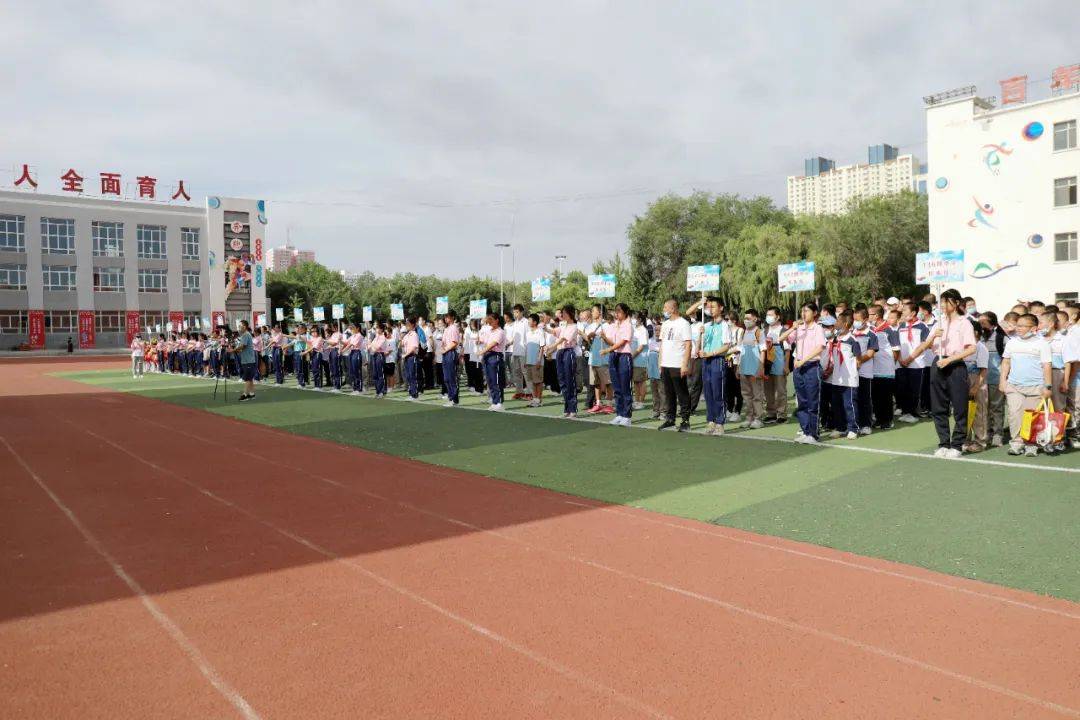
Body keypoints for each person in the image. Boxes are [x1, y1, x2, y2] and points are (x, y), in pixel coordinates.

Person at [919, 289, 976, 458]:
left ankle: (957, 445)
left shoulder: (964, 323)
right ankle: (943, 443)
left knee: (959, 407)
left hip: (956, 366)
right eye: (941, 302)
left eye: (947, 301)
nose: (943, 305)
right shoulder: (939, 322)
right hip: (938, 363)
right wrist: (933, 337)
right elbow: (926, 345)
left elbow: (971, 348)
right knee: (938, 406)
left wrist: (950, 360)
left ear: (956, 303)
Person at [1000, 313, 1053, 456]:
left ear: (1034, 328)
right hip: (1014, 385)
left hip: (1036, 386)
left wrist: (1048, 387)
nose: (1019, 328)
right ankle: (1017, 443)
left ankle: (1032, 444)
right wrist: (1002, 381)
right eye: (1018, 325)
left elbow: (1046, 365)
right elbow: (1006, 361)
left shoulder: (1042, 344)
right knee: (1014, 414)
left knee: (1031, 416)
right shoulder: (1012, 342)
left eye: (1023, 326)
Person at [779, 302, 827, 444]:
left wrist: (803, 360)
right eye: (802, 311)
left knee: (813, 402)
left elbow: (820, 348)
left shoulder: (818, 328)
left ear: (815, 313)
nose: (803, 314)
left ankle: (813, 433)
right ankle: (805, 431)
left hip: (811, 366)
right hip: (799, 368)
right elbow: (780, 339)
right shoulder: (799, 328)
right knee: (802, 402)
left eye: (806, 311)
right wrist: (792, 328)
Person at [699, 296, 733, 436]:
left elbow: (726, 346)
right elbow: (699, 347)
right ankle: (711, 421)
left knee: (718, 392)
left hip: (717, 360)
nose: (710, 309)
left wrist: (711, 353)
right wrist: (700, 336)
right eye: (708, 307)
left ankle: (720, 422)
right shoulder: (706, 326)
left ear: (721, 308)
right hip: (705, 361)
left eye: (713, 306)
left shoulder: (725, 325)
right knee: (708, 393)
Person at [822, 312, 859, 440]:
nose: (835, 324)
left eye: (838, 321)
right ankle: (840, 427)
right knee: (837, 405)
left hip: (849, 379)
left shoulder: (852, 340)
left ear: (846, 324)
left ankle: (853, 428)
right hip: (836, 378)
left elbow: (858, 358)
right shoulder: (835, 339)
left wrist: (852, 371)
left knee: (849, 405)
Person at [657, 299, 692, 432]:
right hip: (666, 363)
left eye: (666, 307)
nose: (664, 310)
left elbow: (688, 344)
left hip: (678, 363)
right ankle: (670, 419)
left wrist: (685, 364)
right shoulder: (665, 324)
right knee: (668, 393)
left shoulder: (683, 324)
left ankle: (685, 420)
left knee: (682, 393)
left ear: (673, 309)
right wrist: (660, 362)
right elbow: (662, 344)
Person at [600, 303, 634, 426]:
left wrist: (607, 350)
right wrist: (604, 338)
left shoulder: (628, 325)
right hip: (614, 355)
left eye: (619, 311)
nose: (617, 313)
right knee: (617, 387)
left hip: (624, 356)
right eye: (616, 311)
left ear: (625, 312)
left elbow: (622, 342)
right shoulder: (615, 325)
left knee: (625, 387)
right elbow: (612, 342)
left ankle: (627, 415)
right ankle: (619, 414)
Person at [895, 302, 929, 423]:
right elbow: (896, 344)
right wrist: (900, 359)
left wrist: (909, 359)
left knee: (914, 389)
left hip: (916, 363)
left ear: (913, 312)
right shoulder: (901, 326)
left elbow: (923, 345)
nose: (902, 312)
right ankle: (905, 411)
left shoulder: (922, 326)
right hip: (901, 363)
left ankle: (913, 413)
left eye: (904, 310)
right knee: (902, 388)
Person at [869, 306, 900, 430]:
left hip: (886, 370)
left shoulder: (889, 329)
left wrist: (891, 364)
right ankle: (879, 419)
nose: (868, 316)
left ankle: (887, 420)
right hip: (874, 370)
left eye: (870, 314)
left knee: (886, 397)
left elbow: (896, 349)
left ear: (876, 316)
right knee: (876, 397)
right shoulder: (872, 329)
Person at [962, 323, 991, 453]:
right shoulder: (961, 346)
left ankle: (981, 441)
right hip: (962, 379)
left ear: (977, 333)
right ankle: (965, 439)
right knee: (963, 412)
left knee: (979, 412)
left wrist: (975, 387)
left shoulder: (981, 347)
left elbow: (983, 370)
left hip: (976, 380)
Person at [548, 304, 580, 418]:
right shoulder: (563, 325)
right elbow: (553, 332)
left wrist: (552, 347)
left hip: (568, 352)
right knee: (562, 381)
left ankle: (573, 408)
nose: (563, 315)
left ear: (570, 313)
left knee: (569, 380)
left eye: (565, 313)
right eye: (562, 313)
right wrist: (543, 324)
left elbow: (564, 338)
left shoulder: (574, 326)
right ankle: (567, 408)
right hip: (560, 353)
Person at [850, 307, 879, 435]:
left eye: (858, 319)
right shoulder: (851, 333)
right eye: (854, 319)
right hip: (851, 372)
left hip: (865, 372)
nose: (855, 322)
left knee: (865, 398)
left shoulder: (871, 334)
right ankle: (854, 423)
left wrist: (859, 360)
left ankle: (866, 424)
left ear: (866, 319)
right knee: (853, 399)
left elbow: (871, 353)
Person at [738, 309, 767, 429]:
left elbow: (763, 350)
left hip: (755, 369)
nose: (746, 320)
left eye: (748, 318)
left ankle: (758, 418)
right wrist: (738, 367)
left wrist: (761, 367)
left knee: (757, 395)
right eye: (745, 318)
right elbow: (740, 351)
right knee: (746, 395)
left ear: (755, 319)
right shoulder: (743, 332)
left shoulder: (759, 332)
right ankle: (749, 418)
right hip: (744, 368)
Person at [763, 307, 790, 424]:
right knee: (768, 390)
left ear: (778, 316)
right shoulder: (764, 330)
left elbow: (788, 350)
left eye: (771, 314)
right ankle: (771, 413)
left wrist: (786, 365)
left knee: (780, 390)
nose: (768, 317)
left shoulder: (783, 330)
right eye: (767, 314)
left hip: (779, 361)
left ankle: (781, 414)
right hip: (767, 363)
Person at [585, 305, 613, 414]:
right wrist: (590, 337)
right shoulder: (591, 326)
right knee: (595, 382)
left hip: (604, 358)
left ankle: (610, 404)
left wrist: (604, 337)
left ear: (600, 312)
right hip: (593, 358)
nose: (592, 313)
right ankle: (598, 403)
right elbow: (589, 342)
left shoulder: (607, 325)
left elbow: (612, 343)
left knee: (608, 382)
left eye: (593, 311)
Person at [479, 313, 506, 411]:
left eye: (491, 319)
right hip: (487, 356)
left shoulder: (500, 331)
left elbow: (494, 343)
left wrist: (482, 351)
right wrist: (479, 341)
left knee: (496, 380)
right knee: (490, 380)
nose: (489, 322)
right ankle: (494, 401)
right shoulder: (489, 331)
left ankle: (499, 403)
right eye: (488, 319)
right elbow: (485, 341)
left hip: (495, 356)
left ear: (497, 320)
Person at [524, 313, 547, 408]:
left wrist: (539, 360)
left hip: (537, 361)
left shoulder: (540, 331)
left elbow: (542, 347)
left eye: (530, 320)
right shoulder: (528, 333)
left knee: (538, 381)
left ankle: (539, 399)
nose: (528, 322)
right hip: (529, 361)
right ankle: (535, 398)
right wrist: (526, 360)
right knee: (533, 381)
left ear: (535, 322)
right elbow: (527, 348)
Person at [508, 304, 529, 400]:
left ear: (521, 312)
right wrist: (508, 344)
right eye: (514, 312)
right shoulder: (515, 323)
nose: (515, 314)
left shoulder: (526, 322)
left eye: (516, 312)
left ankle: (529, 393)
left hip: (524, 351)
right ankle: (519, 392)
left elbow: (529, 337)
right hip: (515, 351)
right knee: (517, 373)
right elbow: (514, 338)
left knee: (526, 373)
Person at [441, 311, 461, 407]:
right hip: (445, 353)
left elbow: (454, 343)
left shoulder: (453, 328)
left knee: (452, 377)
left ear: (452, 317)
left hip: (451, 353)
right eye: (445, 317)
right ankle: (450, 397)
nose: (446, 319)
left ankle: (454, 399)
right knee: (446, 378)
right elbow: (444, 342)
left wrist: (445, 350)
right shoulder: (447, 329)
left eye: (448, 317)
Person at [234, 320, 258, 401]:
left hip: (248, 360)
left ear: (244, 326)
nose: (239, 327)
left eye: (240, 325)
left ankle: (245, 394)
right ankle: (252, 393)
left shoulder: (246, 335)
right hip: (247, 359)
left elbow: (243, 346)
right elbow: (242, 346)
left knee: (247, 378)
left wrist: (234, 350)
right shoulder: (244, 335)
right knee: (249, 378)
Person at [631, 310, 649, 411]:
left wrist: (632, 356)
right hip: (634, 360)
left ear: (640, 320)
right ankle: (636, 400)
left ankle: (641, 402)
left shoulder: (643, 330)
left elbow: (641, 347)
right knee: (635, 381)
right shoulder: (634, 329)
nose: (633, 320)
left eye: (635, 318)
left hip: (641, 359)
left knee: (641, 381)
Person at [401, 316, 421, 399]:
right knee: (408, 375)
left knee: (413, 375)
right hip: (407, 357)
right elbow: (401, 344)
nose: (407, 325)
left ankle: (415, 394)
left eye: (408, 324)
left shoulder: (414, 334)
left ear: (412, 324)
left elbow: (414, 348)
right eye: (406, 324)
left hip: (412, 357)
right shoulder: (407, 335)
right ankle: (411, 392)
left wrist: (405, 355)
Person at [369, 323, 389, 398]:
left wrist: (371, 344)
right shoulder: (376, 337)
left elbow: (377, 346)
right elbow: (371, 346)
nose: (376, 329)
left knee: (381, 374)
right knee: (375, 374)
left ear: (381, 329)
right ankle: (378, 390)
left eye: (377, 328)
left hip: (380, 355)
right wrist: (370, 344)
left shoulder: (383, 337)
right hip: (374, 355)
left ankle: (382, 391)